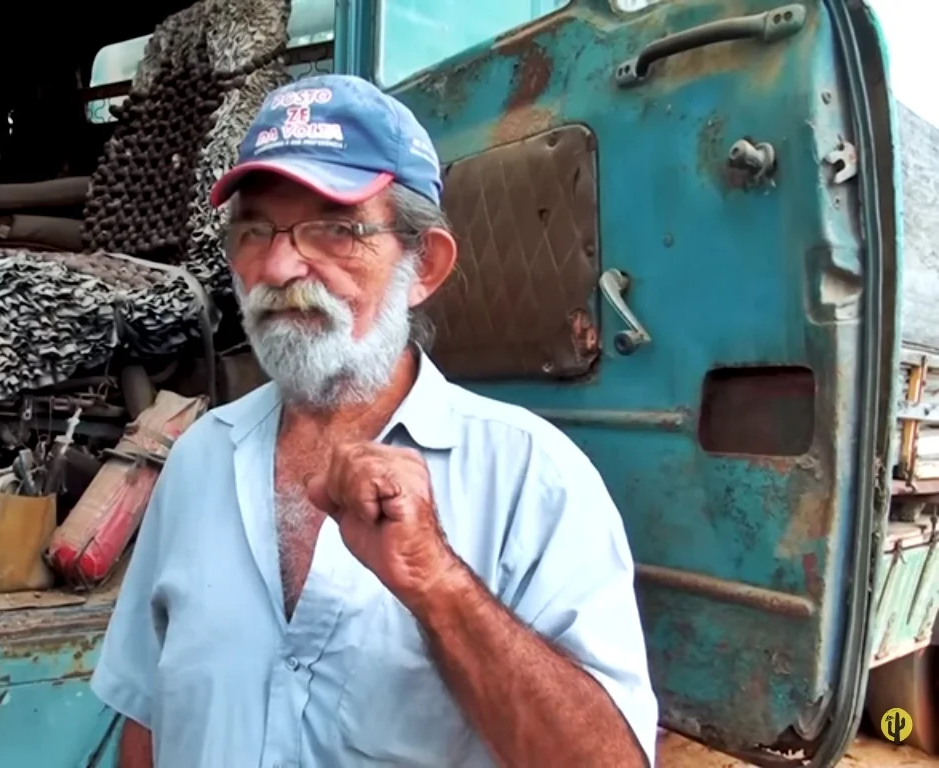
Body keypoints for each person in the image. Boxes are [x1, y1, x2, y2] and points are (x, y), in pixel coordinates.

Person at [89, 73, 658, 768]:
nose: (277, 264)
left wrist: (437, 583)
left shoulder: (532, 479)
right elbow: (148, 720)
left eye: (334, 227)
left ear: (424, 266)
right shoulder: (197, 458)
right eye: (254, 229)